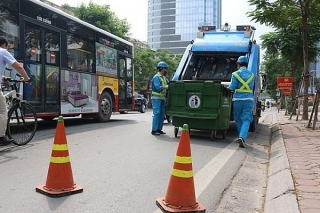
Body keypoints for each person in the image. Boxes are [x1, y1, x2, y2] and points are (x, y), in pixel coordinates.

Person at [0, 36, 31, 145]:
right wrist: (26, 78)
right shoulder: (3, 51)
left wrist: (2, 76)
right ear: (4, 45)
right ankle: (1, 137)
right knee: (2, 110)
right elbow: (18, 67)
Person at [227, 56, 254, 148]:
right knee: (246, 119)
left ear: (238, 64)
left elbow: (232, 87)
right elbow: (252, 87)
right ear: (247, 65)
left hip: (237, 100)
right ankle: (242, 137)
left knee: (238, 119)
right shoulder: (252, 75)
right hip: (249, 100)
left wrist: (226, 88)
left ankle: (240, 137)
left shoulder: (235, 74)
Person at [151, 61, 169, 135]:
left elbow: (169, 83)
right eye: (165, 69)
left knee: (162, 114)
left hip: (162, 98)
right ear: (162, 68)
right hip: (156, 98)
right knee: (157, 113)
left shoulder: (164, 78)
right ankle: (154, 130)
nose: (166, 70)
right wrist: (165, 87)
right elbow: (158, 87)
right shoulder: (156, 77)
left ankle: (159, 129)